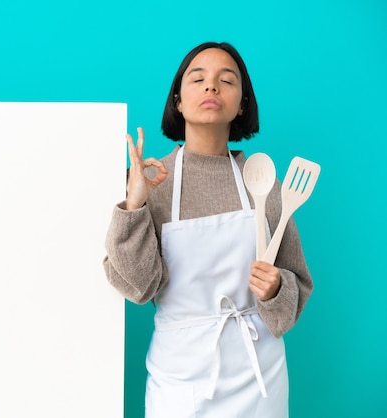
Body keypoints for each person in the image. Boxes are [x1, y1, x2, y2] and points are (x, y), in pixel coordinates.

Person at [103, 42, 313, 418]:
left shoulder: (265, 185)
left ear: (242, 103)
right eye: (198, 78)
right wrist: (134, 204)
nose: (211, 87)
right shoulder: (151, 184)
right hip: (180, 378)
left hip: (258, 376)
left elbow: (296, 288)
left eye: (226, 80)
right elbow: (139, 287)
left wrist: (277, 287)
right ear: (178, 101)